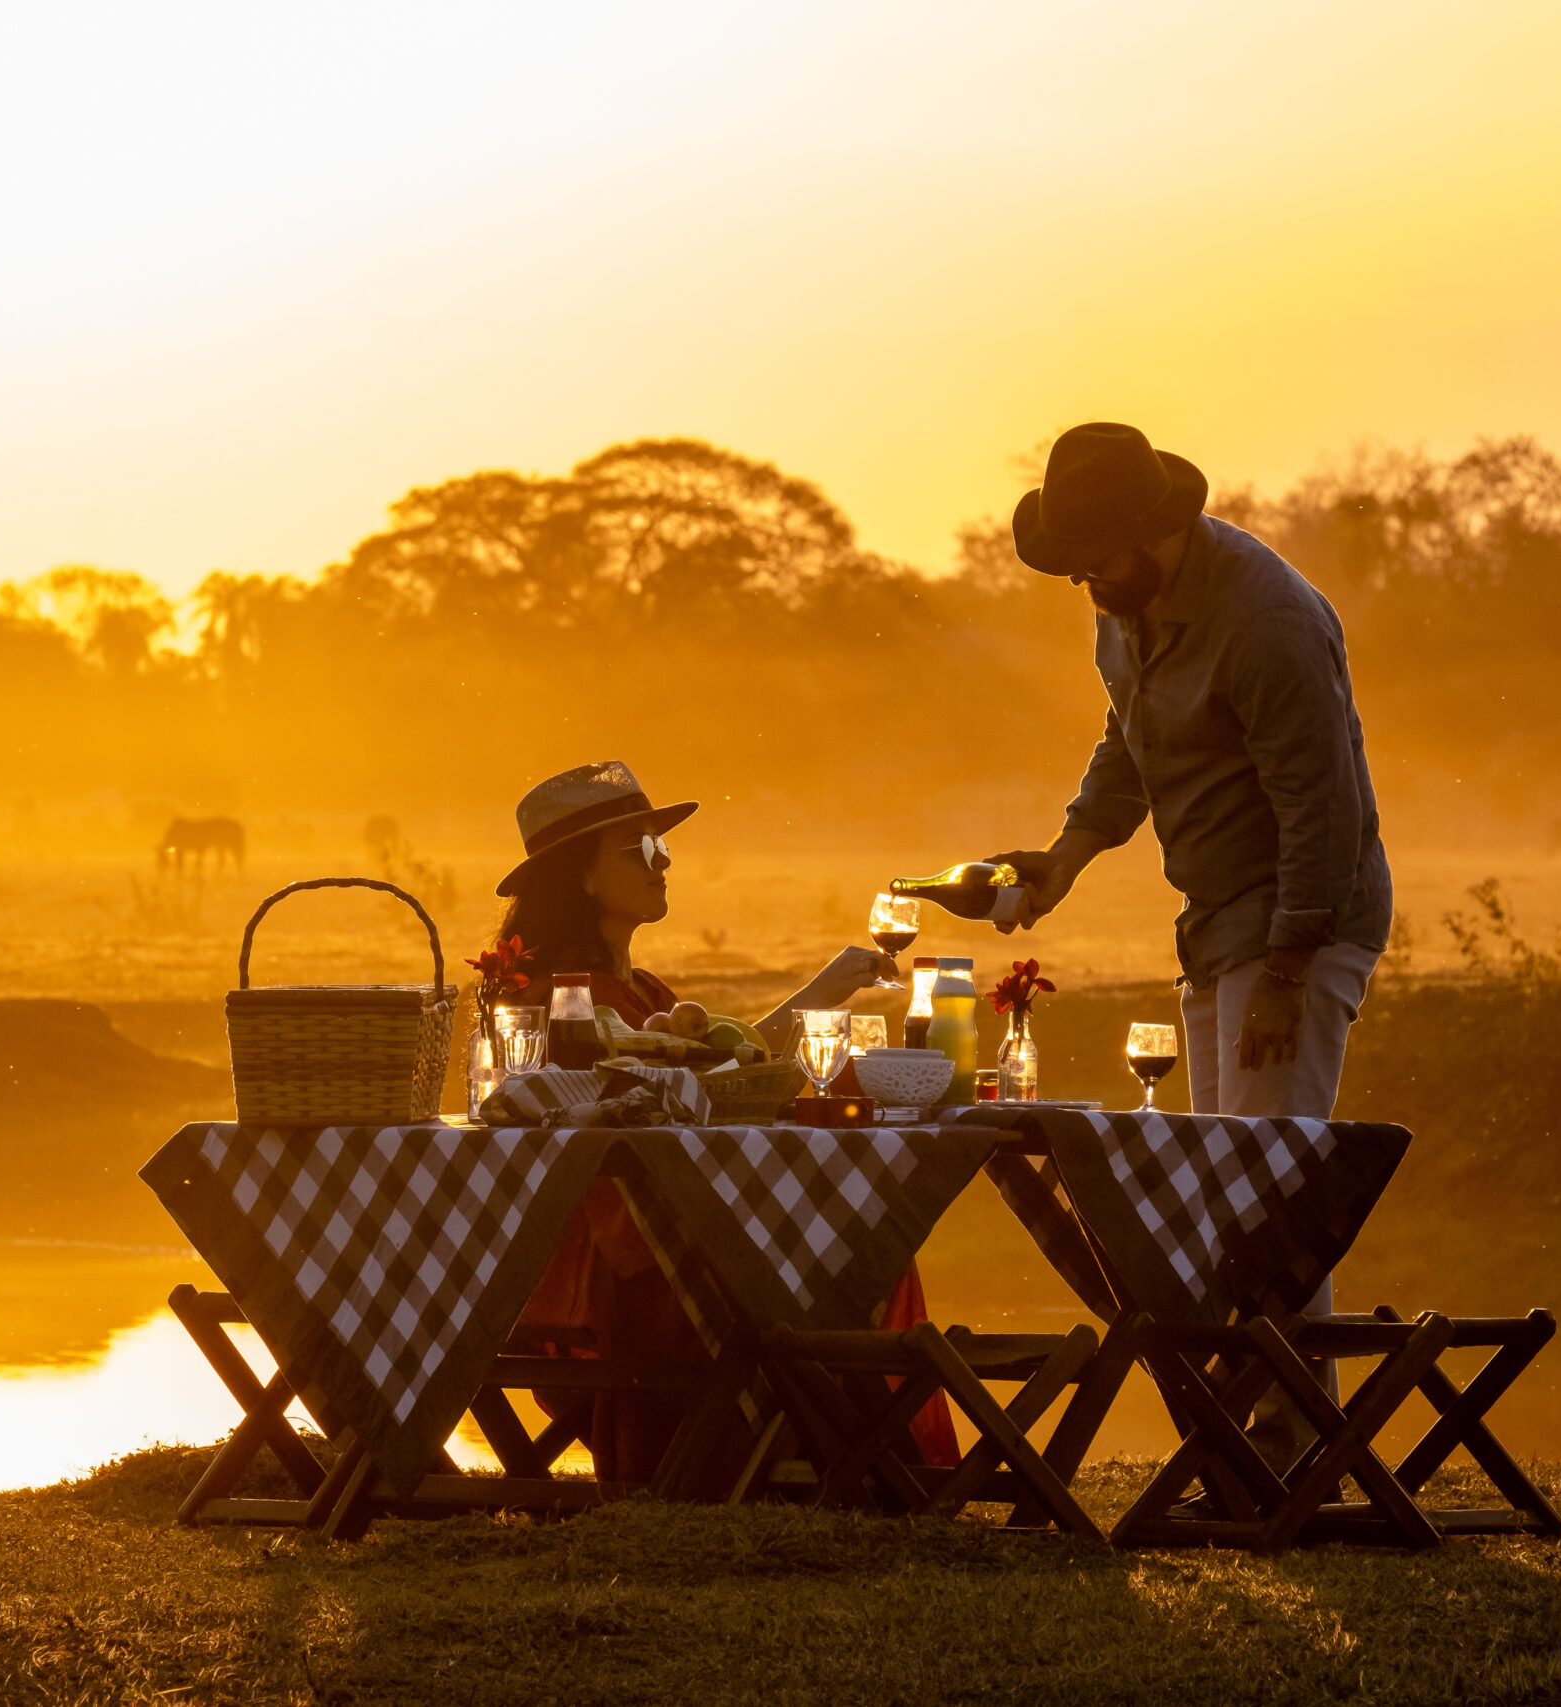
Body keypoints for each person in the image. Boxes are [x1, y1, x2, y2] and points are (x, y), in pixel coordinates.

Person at [989, 423, 1393, 1410]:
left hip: (1302, 918)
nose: (1083, 581)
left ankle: (1295, 1444)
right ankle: (1255, 1436)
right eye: (1070, 565)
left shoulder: (1265, 623)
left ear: (1153, 527)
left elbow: (1321, 808)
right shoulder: (1122, 606)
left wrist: (1289, 974)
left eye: (1094, 559)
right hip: (1212, 925)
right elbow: (1126, 743)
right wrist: (1064, 859)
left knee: (1269, 1198)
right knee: (1231, 1193)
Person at [491, 759, 957, 1479]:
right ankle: (849, 1450)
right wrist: (817, 998)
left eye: (664, 846)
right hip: (629, 1260)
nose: (664, 862)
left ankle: (841, 1450)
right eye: (642, 849)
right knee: (845, 1242)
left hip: (682, 1226)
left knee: (864, 1232)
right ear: (580, 877)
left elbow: (708, 1072)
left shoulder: (643, 987)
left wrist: (825, 990)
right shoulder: (560, 998)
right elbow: (666, 1089)